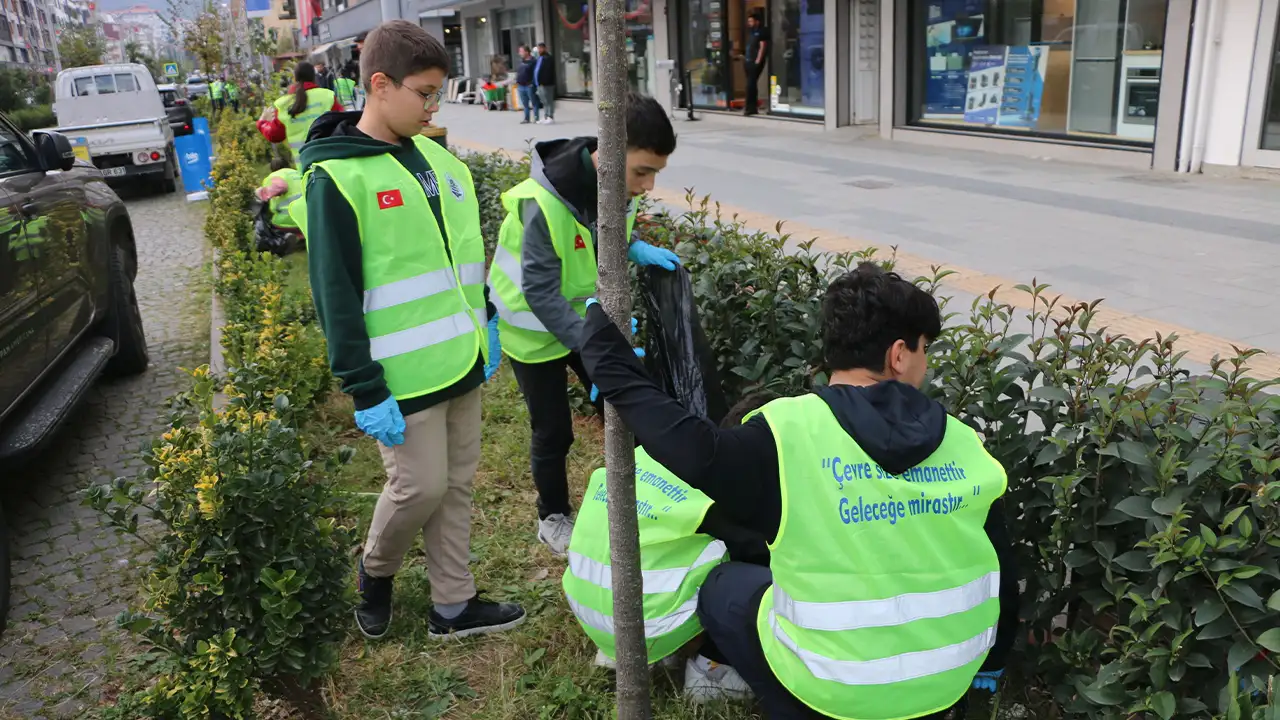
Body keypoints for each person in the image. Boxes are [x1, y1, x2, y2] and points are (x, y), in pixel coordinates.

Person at [578, 262, 1020, 719]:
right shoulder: (964, 442)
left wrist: (603, 350)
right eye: (925, 349)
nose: (924, 363)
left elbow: (693, 448)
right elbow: (1003, 562)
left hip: (829, 693)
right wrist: (994, 660)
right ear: (899, 355)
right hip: (945, 687)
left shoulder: (786, 433)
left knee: (723, 584)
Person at [288, 19, 521, 641]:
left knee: (458, 486)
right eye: (423, 93)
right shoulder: (336, 180)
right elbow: (335, 295)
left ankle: (453, 604)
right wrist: (363, 386)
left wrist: (489, 323)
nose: (433, 106)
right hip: (401, 376)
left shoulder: (443, 163)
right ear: (380, 85)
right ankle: (376, 568)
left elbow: (463, 257)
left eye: (438, 93)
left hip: (463, 359)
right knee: (419, 487)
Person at [486, 93, 682, 557]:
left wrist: (634, 248)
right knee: (554, 431)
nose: (649, 186)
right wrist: (595, 348)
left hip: (584, 319)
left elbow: (606, 234)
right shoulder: (541, 202)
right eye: (643, 172)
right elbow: (539, 292)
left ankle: (640, 498)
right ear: (609, 152)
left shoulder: (615, 185)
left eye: (657, 173)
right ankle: (551, 516)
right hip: (533, 331)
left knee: (624, 406)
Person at [563, 389, 774, 700]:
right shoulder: (723, 483)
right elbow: (761, 549)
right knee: (761, 566)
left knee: (665, 542)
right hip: (644, 628)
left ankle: (621, 652)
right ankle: (713, 673)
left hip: (591, 607)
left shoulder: (650, 452)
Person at [257, 62, 343, 157]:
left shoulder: (283, 104)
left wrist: (262, 122)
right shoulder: (327, 97)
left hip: (304, 165)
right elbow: (343, 123)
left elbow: (274, 135)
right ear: (314, 77)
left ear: (295, 78)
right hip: (330, 161)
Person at [256, 156, 303, 232]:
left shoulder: (274, 176)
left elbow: (280, 186)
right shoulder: (298, 173)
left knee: (272, 226)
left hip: (288, 219)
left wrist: (260, 193)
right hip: (308, 217)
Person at [743, 13, 767, 116]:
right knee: (751, 84)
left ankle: (750, 108)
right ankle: (752, 107)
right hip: (748, 60)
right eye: (748, 21)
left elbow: (762, 46)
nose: (749, 23)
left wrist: (758, 60)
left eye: (751, 21)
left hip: (754, 61)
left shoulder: (762, 31)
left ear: (757, 22)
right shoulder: (751, 32)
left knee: (750, 85)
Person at [514, 44, 540, 124]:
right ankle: (526, 118)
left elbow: (535, 73)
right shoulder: (522, 61)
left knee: (534, 102)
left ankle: (536, 118)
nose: (520, 53)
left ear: (527, 52)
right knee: (525, 104)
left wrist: (532, 83)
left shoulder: (533, 61)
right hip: (521, 85)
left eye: (521, 51)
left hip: (529, 85)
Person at [534, 42, 556, 124]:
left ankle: (550, 116)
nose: (539, 50)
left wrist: (544, 81)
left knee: (549, 100)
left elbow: (548, 72)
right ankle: (546, 115)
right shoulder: (540, 58)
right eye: (538, 48)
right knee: (544, 101)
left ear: (544, 48)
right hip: (539, 84)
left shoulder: (548, 58)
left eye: (540, 48)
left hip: (547, 84)